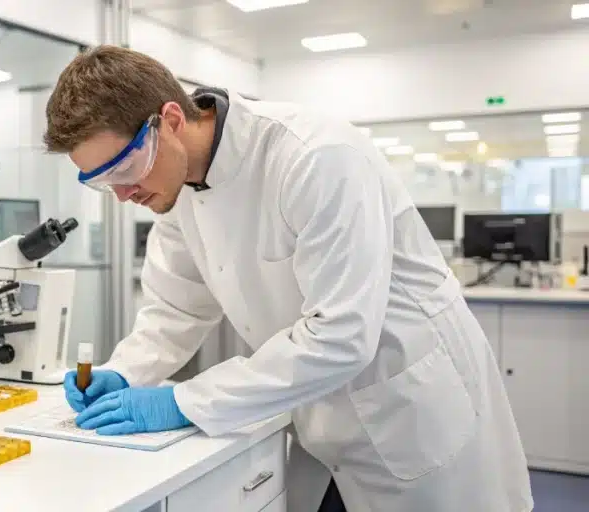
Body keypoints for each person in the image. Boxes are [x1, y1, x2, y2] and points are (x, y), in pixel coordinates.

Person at [43, 45, 533, 512]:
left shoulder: (314, 156)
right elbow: (177, 309)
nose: (124, 193)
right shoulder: (174, 188)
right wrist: (127, 371)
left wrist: (185, 400)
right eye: (103, 183)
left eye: (125, 168)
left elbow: (340, 333)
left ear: (171, 120)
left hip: (410, 411)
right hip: (320, 420)